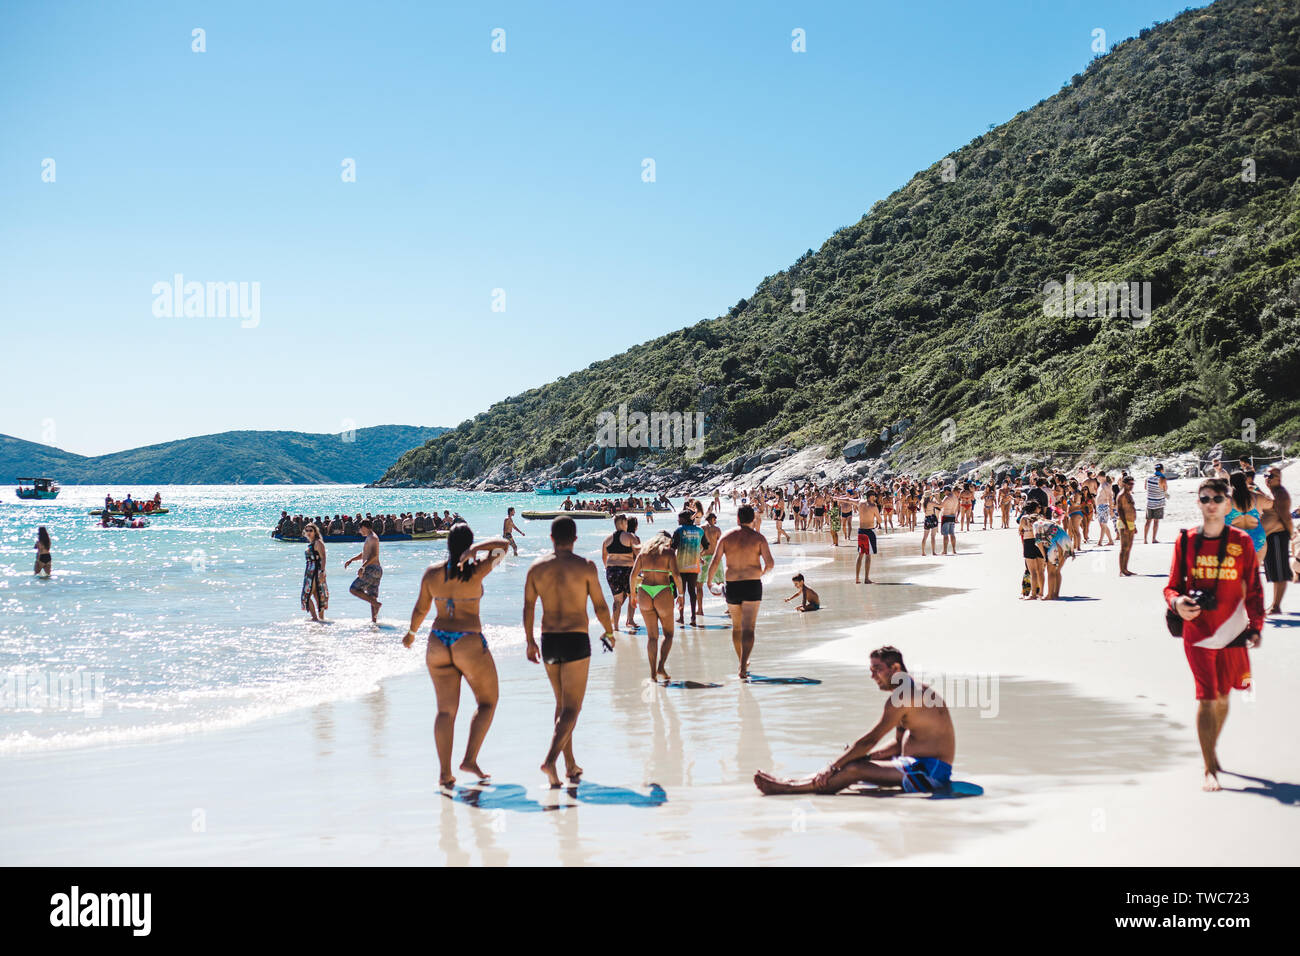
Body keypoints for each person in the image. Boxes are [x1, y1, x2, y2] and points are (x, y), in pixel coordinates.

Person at [1164, 478, 1264, 792]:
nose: (1210, 504)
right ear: (1198, 502)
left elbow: (1254, 588)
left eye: (1217, 498)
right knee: (1207, 698)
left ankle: (1211, 748)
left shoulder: (1242, 542)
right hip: (1198, 631)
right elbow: (1171, 586)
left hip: (1234, 629)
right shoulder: (1187, 540)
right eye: (1205, 498)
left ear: (1227, 503)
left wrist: (1257, 626)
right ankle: (1209, 768)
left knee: (1223, 697)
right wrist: (1177, 602)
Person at [754, 645, 954, 795]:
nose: (872, 675)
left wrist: (832, 766)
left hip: (930, 772)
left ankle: (790, 788)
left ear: (895, 667)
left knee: (854, 769)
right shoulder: (911, 690)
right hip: (914, 763)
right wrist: (866, 757)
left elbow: (870, 740)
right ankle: (794, 781)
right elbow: (898, 744)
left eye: (877, 669)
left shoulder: (903, 697)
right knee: (853, 761)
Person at [402, 523, 508, 789]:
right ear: (468, 545)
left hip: (437, 641)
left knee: (445, 711)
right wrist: (477, 549)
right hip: (467, 640)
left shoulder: (432, 573)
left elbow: (420, 609)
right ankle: (469, 759)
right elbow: (503, 546)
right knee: (487, 702)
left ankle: (445, 774)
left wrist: (411, 634)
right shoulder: (476, 570)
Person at [523, 516, 616, 787]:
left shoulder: (536, 568)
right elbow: (600, 605)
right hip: (576, 639)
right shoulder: (585, 567)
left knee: (562, 705)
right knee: (572, 708)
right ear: (575, 539)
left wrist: (529, 641)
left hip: (549, 639)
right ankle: (551, 760)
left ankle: (570, 765)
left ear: (551, 538)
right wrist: (609, 632)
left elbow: (528, 607)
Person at [708, 504, 774, 679]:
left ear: (737, 518)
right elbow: (770, 563)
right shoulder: (758, 538)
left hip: (733, 585)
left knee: (737, 627)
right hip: (752, 584)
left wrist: (709, 582)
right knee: (749, 628)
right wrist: (760, 573)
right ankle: (743, 665)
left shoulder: (727, 537)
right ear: (752, 519)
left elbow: (715, 561)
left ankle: (742, 662)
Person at [630, 533, 683, 682]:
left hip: (645, 592)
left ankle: (653, 674)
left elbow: (633, 575)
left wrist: (633, 595)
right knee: (669, 634)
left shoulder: (643, 553)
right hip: (662, 591)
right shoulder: (669, 552)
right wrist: (681, 595)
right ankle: (661, 666)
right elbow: (677, 576)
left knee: (652, 637)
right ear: (666, 541)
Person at [1261, 466, 1293, 614]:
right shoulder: (1272, 493)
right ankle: (1274, 604)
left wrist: (1291, 533)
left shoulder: (1280, 494)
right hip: (1271, 536)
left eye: (1270, 476)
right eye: (1266, 476)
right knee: (1274, 572)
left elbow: (1286, 517)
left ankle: (1276, 605)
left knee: (1280, 573)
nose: (1267, 478)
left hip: (1278, 536)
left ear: (1278, 478)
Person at [601, 514, 637, 632]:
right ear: (622, 523)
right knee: (632, 595)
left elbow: (604, 557)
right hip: (627, 570)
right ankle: (630, 620)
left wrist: (608, 568)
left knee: (617, 600)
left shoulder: (607, 539)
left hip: (612, 571)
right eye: (626, 523)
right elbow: (639, 554)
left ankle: (615, 627)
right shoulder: (630, 537)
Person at [344, 518, 383, 622]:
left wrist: (363, 567)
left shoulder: (373, 538)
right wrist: (351, 560)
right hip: (375, 569)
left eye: (360, 529)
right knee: (372, 597)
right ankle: (374, 623)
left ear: (364, 527)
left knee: (353, 589)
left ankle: (376, 605)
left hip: (372, 569)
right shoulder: (370, 538)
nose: (359, 531)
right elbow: (365, 554)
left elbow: (374, 556)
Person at [670, 510, 704, 627]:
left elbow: (672, 549)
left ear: (684, 519)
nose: (678, 520)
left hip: (681, 566)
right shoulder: (700, 530)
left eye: (679, 518)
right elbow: (705, 546)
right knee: (692, 592)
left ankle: (681, 617)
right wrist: (698, 555)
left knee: (681, 592)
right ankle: (693, 618)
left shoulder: (679, 531)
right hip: (694, 566)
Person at [301, 523, 329, 621]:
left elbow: (323, 557)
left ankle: (315, 618)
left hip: (316, 571)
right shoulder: (311, 543)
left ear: (315, 532)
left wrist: (322, 571)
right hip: (309, 570)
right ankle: (320, 619)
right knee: (316, 594)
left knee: (308, 595)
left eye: (310, 531)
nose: (308, 533)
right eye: (307, 530)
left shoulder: (318, 542)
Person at [1018, 503, 1044, 599]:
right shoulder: (1040, 517)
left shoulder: (1023, 518)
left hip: (1028, 542)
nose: (1040, 509)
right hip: (1039, 542)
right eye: (1039, 507)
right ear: (1035, 508)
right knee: (1040, 570)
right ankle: (1041, 593)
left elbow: (1020, 530)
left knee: (1032, 571)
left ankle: (1033, 594)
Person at [1117, 476, 1138, 576]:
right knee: (1124, 547)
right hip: (1123, 523)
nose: (1132, 486)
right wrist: (1125, 525)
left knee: (1129, 547)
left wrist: (1134, 525)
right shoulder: (1121, 495)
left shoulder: (1129, 495)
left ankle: (1126, 568)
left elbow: (1130, 509)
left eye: (1133, 484)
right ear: (1124, 484)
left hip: (1130, 523)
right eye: (1130, 484)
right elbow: (1120, 511)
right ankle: (1122, 570)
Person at [1143, 464, 1168, 544]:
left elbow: (1146, 488)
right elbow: (1165, 488)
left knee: (1148, 521)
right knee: (1156, 521)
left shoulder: (1148, 478)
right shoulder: (1162, 478)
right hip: (1158, 502)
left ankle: (1145, 539)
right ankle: (1153, 539)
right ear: (1161, 470)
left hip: (1150, 502)